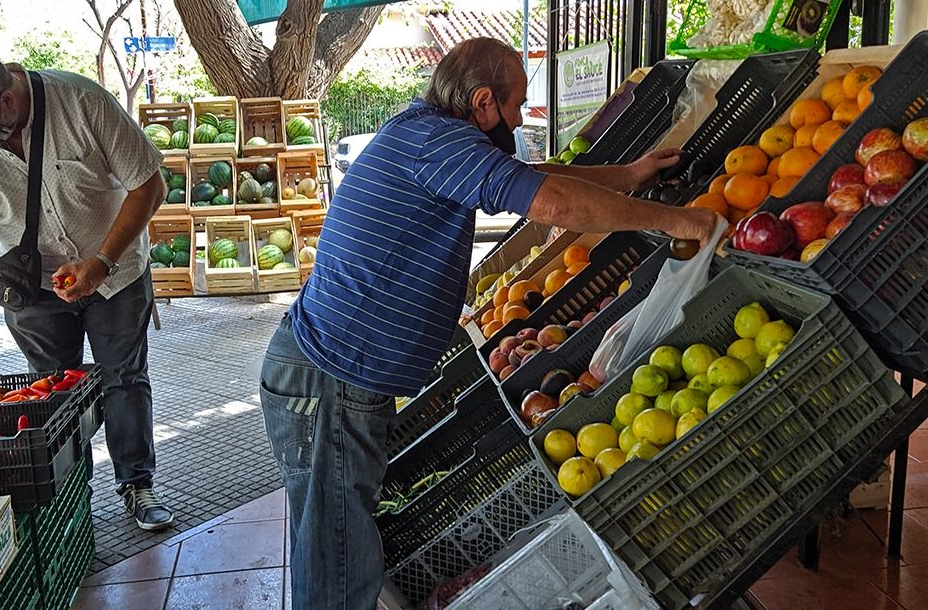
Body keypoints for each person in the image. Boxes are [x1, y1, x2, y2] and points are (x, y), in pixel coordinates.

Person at [260, 37, 718, 609]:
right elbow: (552, 203)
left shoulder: (429, 135)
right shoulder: (437, 142)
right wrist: (677, 220)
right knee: (336, 564)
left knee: (335, 551)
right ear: (483, 103)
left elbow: (533, 176)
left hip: (332, 376)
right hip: (329, 381)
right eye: (517, 105)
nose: (520, 118)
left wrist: (626, 175)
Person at [0, 51, 174, 531]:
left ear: (7, 99)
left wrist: (101, 262)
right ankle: (71, 497)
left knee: (123, 379)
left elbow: (150, 187)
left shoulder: (82, 102)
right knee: (51, 394)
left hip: (116, 273)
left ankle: (136, 484)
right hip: (32, 288)